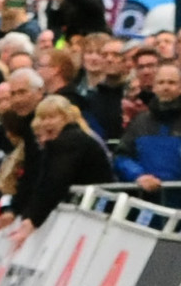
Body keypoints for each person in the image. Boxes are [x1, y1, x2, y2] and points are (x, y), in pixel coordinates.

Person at [11, 96, 115, 230]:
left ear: (66, 118)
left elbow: (54, 182)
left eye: (52, 117)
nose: (47, 123)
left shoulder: (69, 142)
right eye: (43, 118)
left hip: (94, 211)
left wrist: (33, 219)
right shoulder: (63, 141)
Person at [113, 63, 181, 196]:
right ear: (154, 87)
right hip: (146, 201)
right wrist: (139, 176)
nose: (166, 87)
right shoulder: (140, 122)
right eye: (161, 82)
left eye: (171, 82)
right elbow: (122, 156)